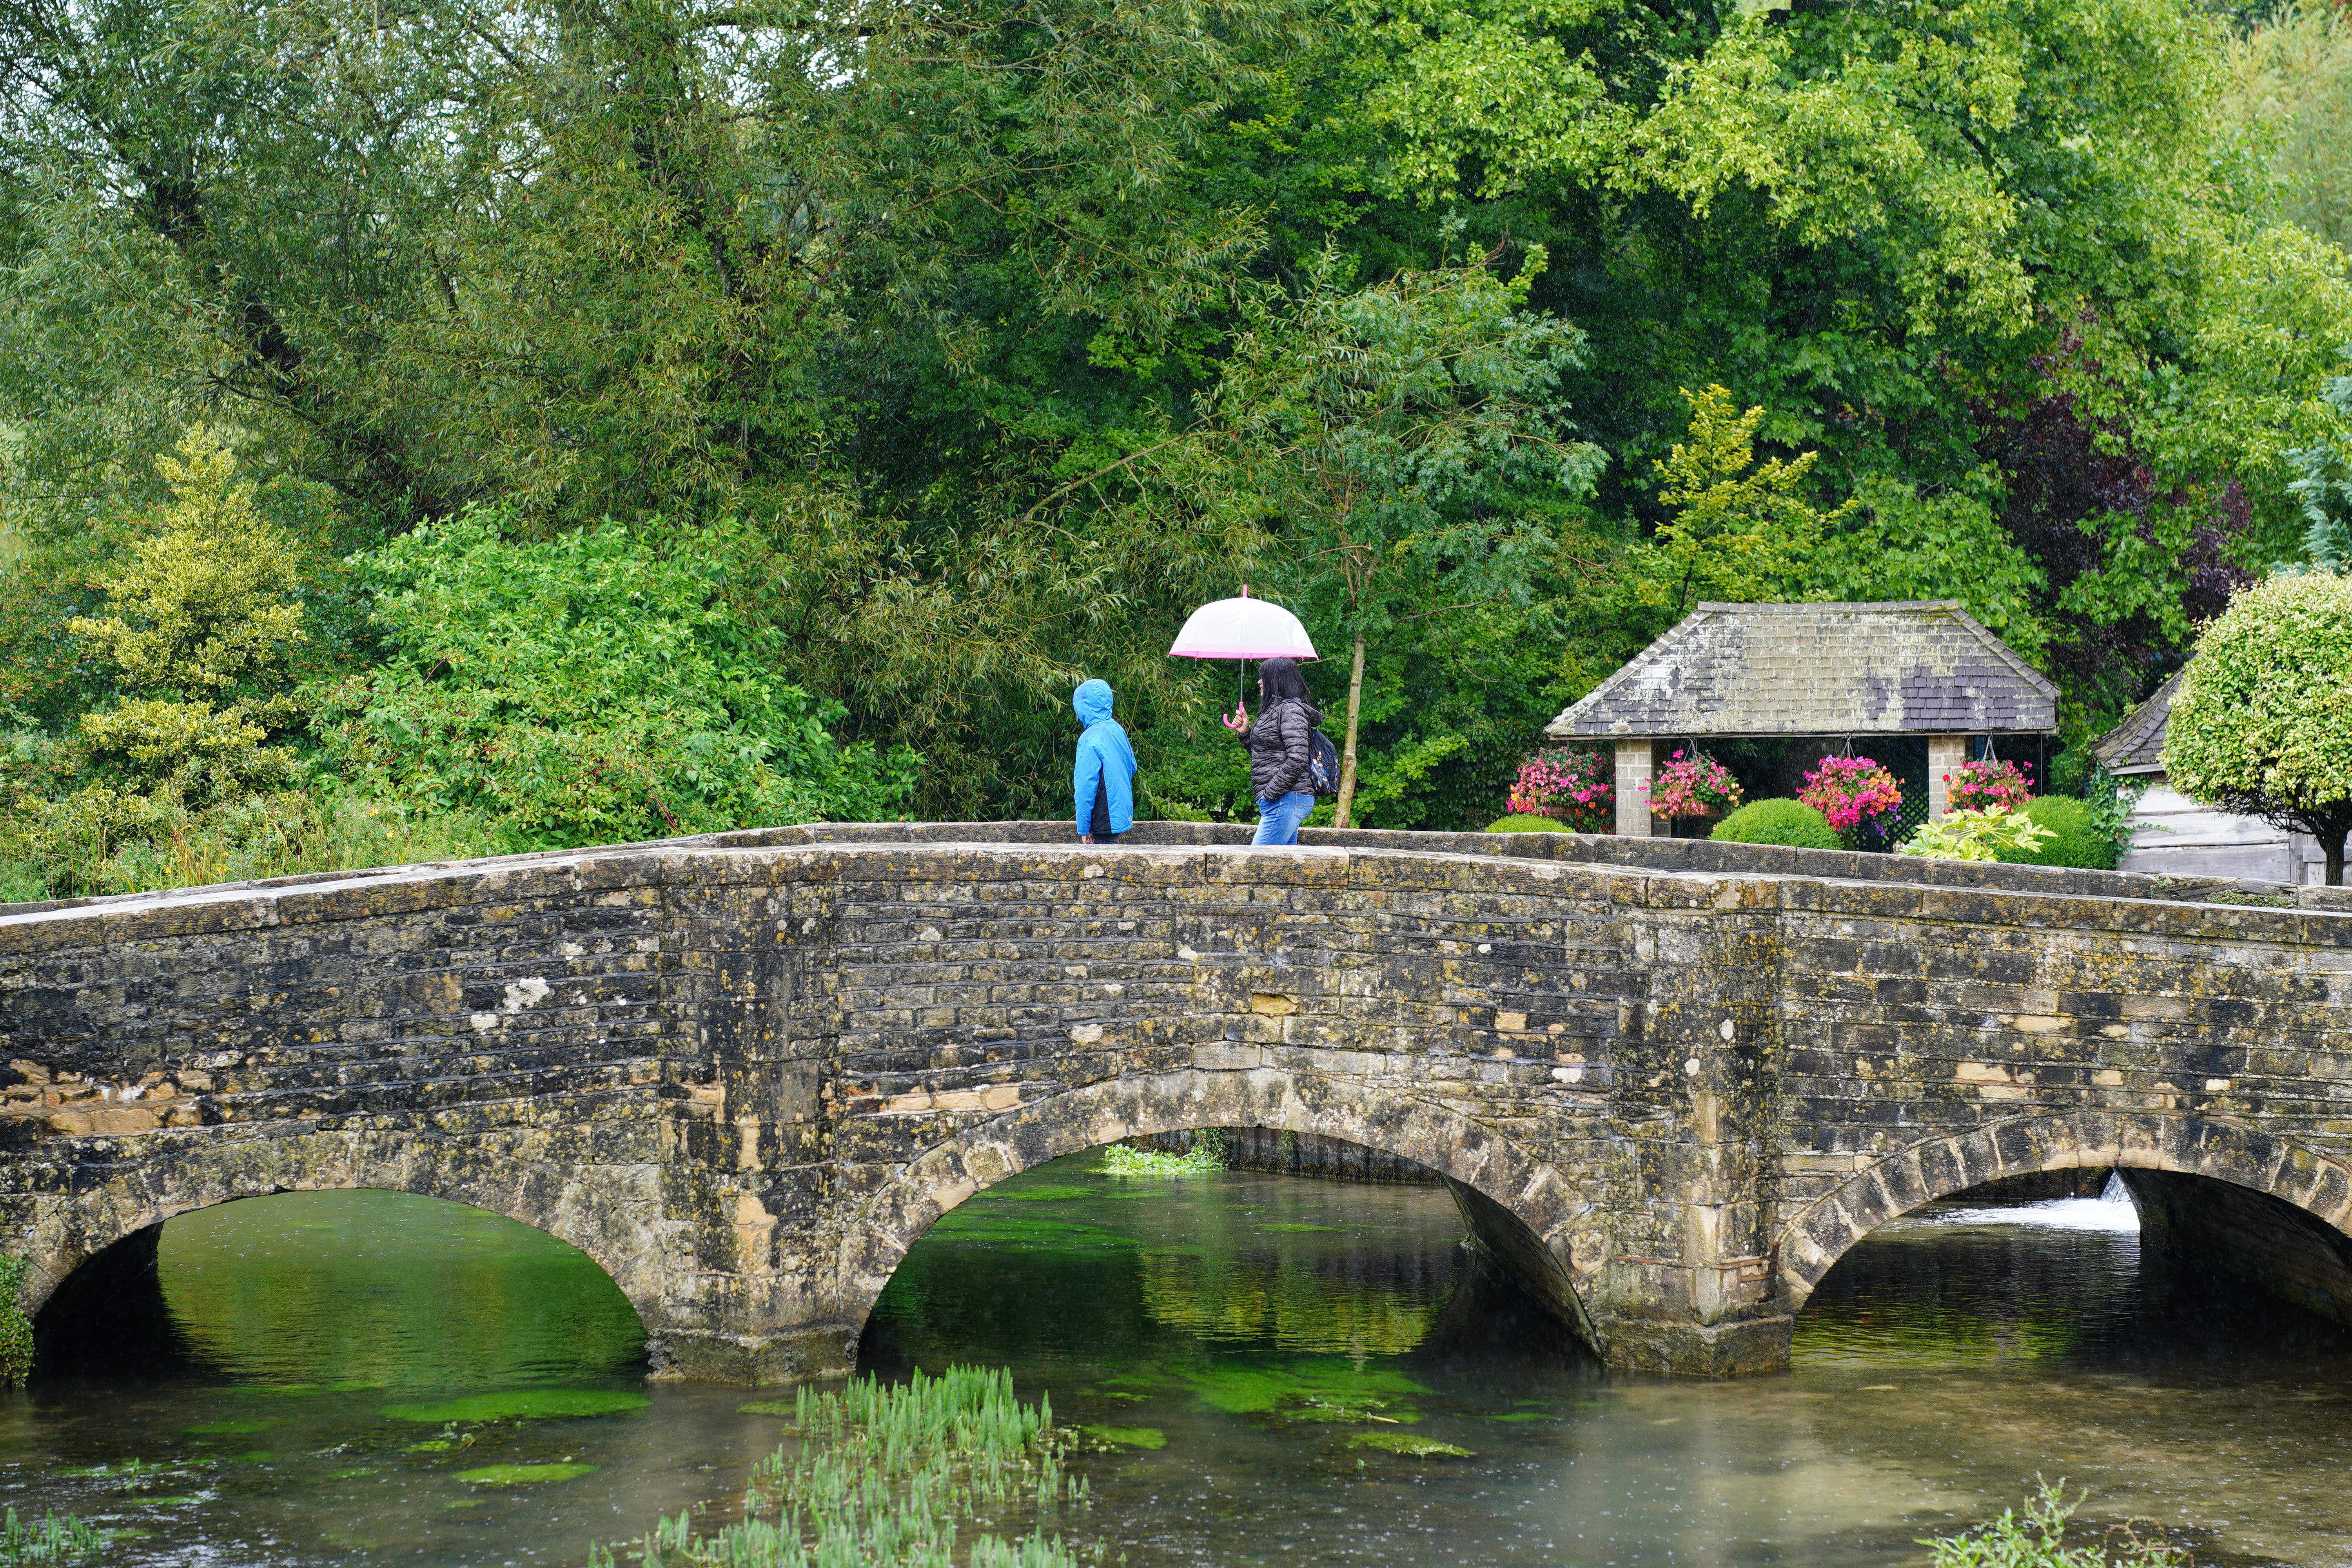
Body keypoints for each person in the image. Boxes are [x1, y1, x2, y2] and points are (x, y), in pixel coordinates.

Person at [1224, 656, 1320, 846]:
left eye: (1264, 678)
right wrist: (1245, 732)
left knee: (1257, 864)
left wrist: (1270, 793)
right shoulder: (1273, 710)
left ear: (1277, 680)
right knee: (1280, 868)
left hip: (1287, 798)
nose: (1260, 682)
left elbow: (1298, 759)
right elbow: (1265, 757)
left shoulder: (1291, 711)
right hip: (1283, 798)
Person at [1071, 678, 1137, 845]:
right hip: (1121, 813)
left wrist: (1084, 828)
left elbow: (1085, 786)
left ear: (1082, 707)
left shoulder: (1089, 738)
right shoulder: (1117, 729)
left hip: (1103, 815)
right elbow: (1133, 767)